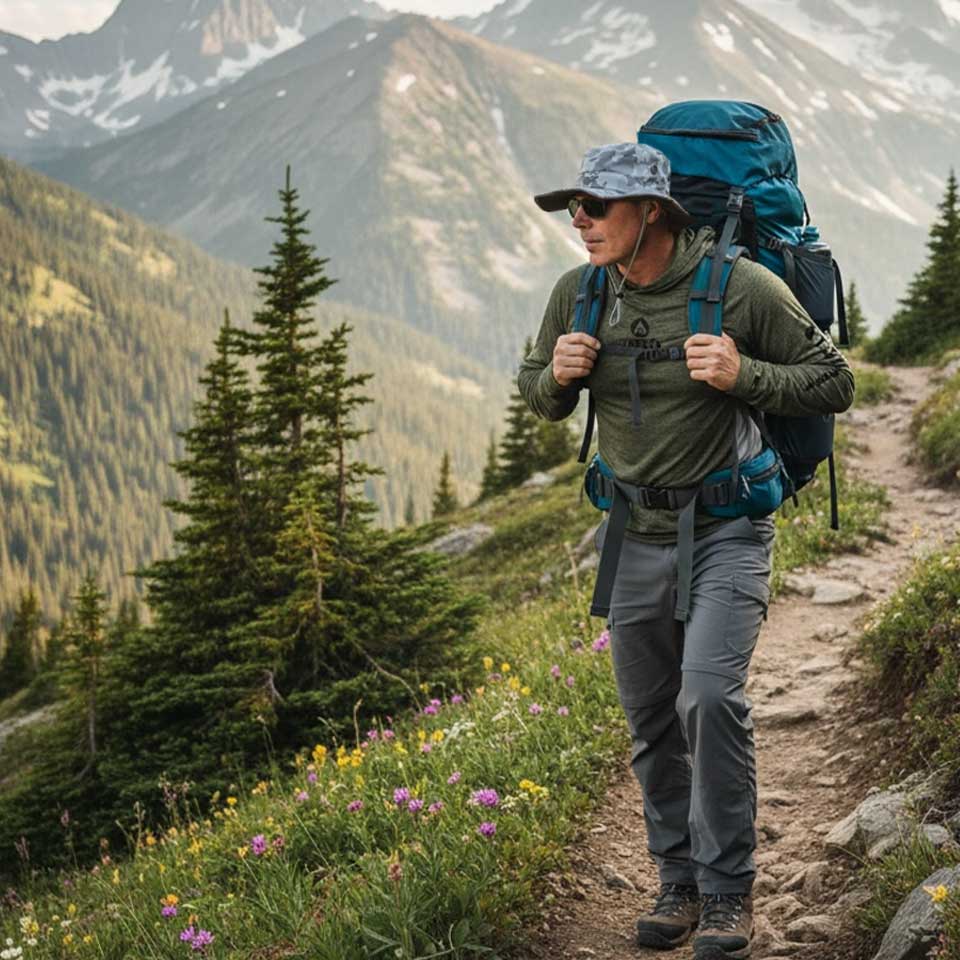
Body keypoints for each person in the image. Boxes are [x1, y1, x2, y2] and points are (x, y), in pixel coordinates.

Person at [518, 142, 853, 959]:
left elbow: (834, 380)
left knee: (707, 699)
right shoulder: (580, 293)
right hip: (631, 532)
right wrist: (556, 378)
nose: (581, 221)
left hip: (729, 526)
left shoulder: (740, 287)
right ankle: (678, 881)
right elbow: (537, 396)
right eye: (576, 207)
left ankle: (730, 893)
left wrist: (744, 374)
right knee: (648, 718)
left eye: (597, 207)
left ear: (652, 214)